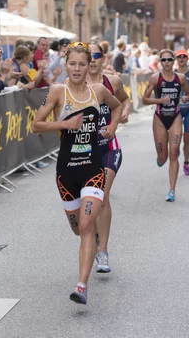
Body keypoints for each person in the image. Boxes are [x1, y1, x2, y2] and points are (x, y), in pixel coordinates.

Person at [32, 42, 122, 305]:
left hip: (93, 168)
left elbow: (117, 107)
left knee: (85, 226)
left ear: (88, 65)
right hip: (66, 173)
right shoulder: (58, 92)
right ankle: (91, 243)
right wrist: (65, 124)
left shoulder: (99, 91)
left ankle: (82, 286)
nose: (77, 68)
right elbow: (36, 125)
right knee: (78, 229)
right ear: (65, 63)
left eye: (83, 64)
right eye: (72, 63)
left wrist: (113, 125)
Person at [87, 42, 130, 273]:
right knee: (89, 201)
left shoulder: (112, 81)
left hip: (109, 147)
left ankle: (102, 252)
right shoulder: (73, 85)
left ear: (103, 58)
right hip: (84, 151)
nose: (92, 60)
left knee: (102, 196)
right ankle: (95, 237)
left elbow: (124, 99)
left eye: (96, 55)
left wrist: (121, 115)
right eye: (88, 56)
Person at [142, 49, 189, 202]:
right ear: (160, 62)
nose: (166, 62)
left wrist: (185, 98)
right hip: (159, 119)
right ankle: (160, 157)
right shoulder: (155, 78)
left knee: (174, 152)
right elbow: (144, 99)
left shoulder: (181, 78)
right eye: (163, 60)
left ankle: (172, 190)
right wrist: (159, 101)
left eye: (169, 60)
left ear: (173, 61)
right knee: (163, 158)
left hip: (176, 117)